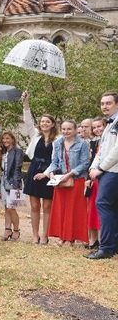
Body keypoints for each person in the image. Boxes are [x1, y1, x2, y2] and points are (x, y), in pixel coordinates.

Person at [44, 120, 90, 245]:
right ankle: (62, 237)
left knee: (74, 210)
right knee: (61, 209)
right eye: (63, 129)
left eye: (69, 129)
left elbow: (85, 163)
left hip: (76, 180)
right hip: (61, 181)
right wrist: (51, 173)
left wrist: (70, 174)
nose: (66, 132)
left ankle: (71, 238)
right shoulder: (58, 142)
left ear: (75, 130)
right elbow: (55, 162)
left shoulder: (82, 144)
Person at [22, 91, 58, 245]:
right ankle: (35, 235)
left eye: (47, 122)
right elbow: (28, 121)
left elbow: (57, 160)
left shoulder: (58, 140)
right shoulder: (35, 135)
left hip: (49, 172)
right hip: (34, 169)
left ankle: (45, 235)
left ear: (52, 124)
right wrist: (26, 104)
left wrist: (45, 173)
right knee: (35, 205)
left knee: (47, 206)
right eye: (42, 122)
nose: (44, 124)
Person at [86, 92, 118, 259]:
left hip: (113, 171)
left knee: (103, 204)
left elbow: (116, 151)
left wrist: (101, 169)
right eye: (102, 103)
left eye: (108, 103)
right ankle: (112, 246)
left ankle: (105, 247)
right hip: (106, 171)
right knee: (111, 207)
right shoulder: (109, 125)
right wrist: (93, 167)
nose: (104, 106)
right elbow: (101, 150)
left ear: (116, 104)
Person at [85, 117, 106, 249]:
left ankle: (105, 239)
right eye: (94, 127)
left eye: (100, 126)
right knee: (93, 209)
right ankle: (94, 240)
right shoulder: (95, 142)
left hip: (106, 177)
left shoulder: (111, 140)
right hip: (94, 179)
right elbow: (91, 161)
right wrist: (89, 178)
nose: (97, 129)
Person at [1, 131, 24, 241]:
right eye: (4, 139)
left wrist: (16, 184)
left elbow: (17, 168)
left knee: (11, 207)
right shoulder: (5, 152)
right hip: (4, 182)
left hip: (13, 183)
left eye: (8, 138)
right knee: (6, 207)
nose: (5, 140)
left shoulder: (17, 151)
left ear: (13, 140)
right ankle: (7, 229)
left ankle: (16, 230)